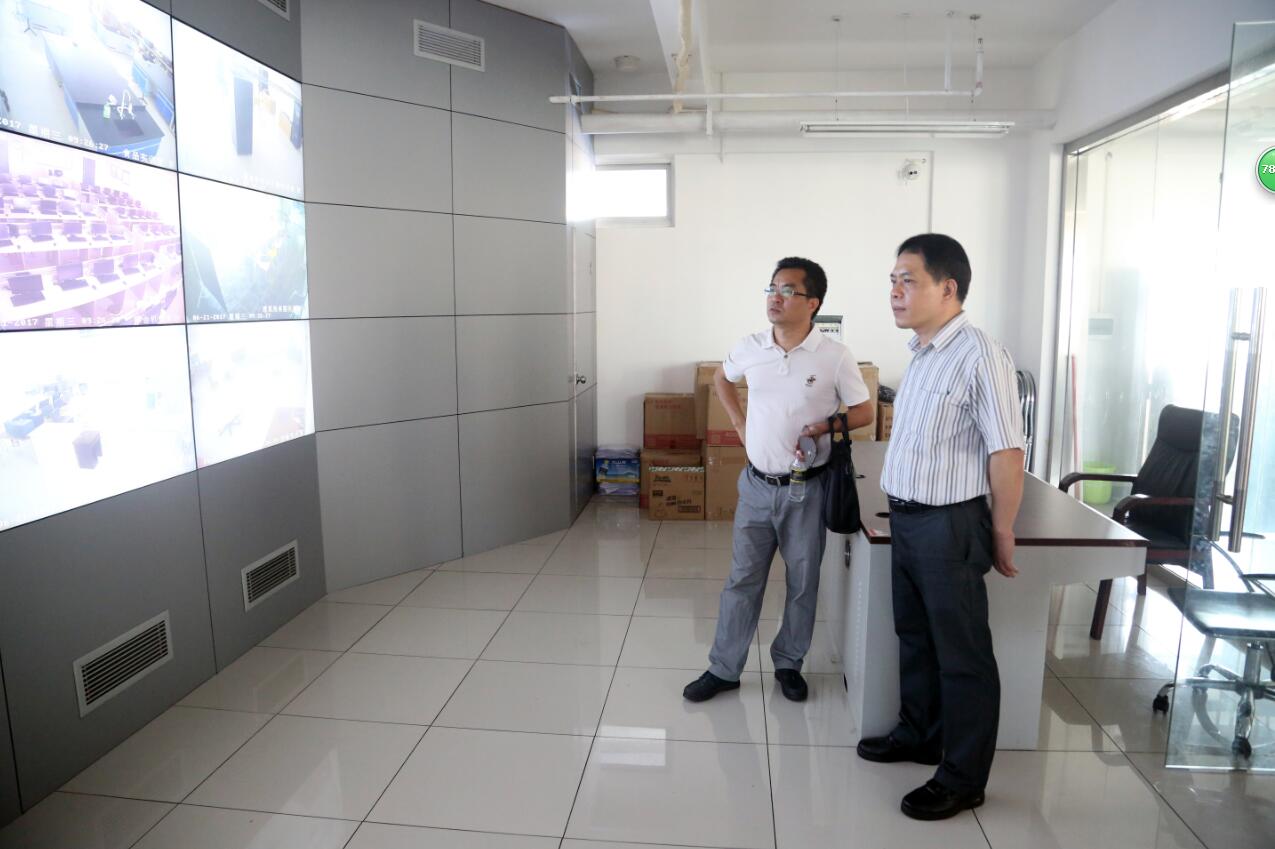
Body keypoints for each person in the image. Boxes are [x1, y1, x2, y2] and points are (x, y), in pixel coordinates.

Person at [856, 234, 1025, 821]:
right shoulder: (924, 352)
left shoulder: (980, 355)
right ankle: (920, 734)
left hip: (949, 526)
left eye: (908, 280)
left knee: (962, 655)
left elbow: (1006, 450)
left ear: (948, 288)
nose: (895, 292)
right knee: (915, 635)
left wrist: (1001, 529)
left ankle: (963, 777)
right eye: (892, 281)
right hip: (908, 519)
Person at [683, 257, 874, 704]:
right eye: (772, 288)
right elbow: (722, 378)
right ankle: (724, 668)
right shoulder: (751, 347)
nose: (775, 297)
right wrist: (739, 422)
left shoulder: (834, 356)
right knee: (742, 580)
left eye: (787, 290)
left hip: (808, 489)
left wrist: (825, 427)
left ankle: (789, 663)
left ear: (813, 303)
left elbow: (864, 411)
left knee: (802, 582)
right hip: (756, 486)